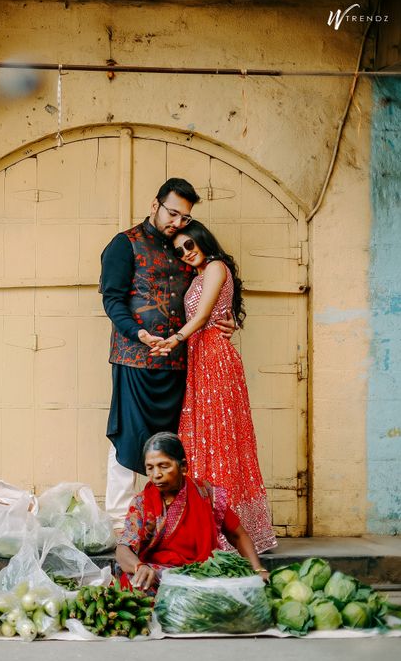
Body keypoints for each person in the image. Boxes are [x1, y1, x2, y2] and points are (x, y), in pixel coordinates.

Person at [98, 178, 234, 528]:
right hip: (134, 357)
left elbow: (211, 288)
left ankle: (168, 519)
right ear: (154, 204)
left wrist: (227, 317)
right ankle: (119, 521)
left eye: (184, 217)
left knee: (176, 443)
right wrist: (137, 333)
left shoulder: (183, 247)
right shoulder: (124, 244)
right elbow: (112, 300)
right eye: (172, 213)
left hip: (180, 361)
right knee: (128, 437)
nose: (177, 222)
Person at [150, 221, 277, 553]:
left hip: (216, 360)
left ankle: (231, 531)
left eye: (190, 245)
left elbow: (205, 315)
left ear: (203, 240)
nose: (186, 253)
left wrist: (174, 339)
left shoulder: (217, 267)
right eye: (179, 250)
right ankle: (204, 523)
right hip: (199, 361)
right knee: (200, 442)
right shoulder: (197, 275)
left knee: (220, 442)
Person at [116, 433, 268, 592]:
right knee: (132, 580)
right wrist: (139, 567)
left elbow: (238, 535)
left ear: (183, 467)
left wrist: (258, 570)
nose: (156, 475)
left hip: (203, 574)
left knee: (239, 585)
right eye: (150, 468)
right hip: (160, 575)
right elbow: (123, 548)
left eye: (164, 466)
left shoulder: (206, 495)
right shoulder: (142, 503)